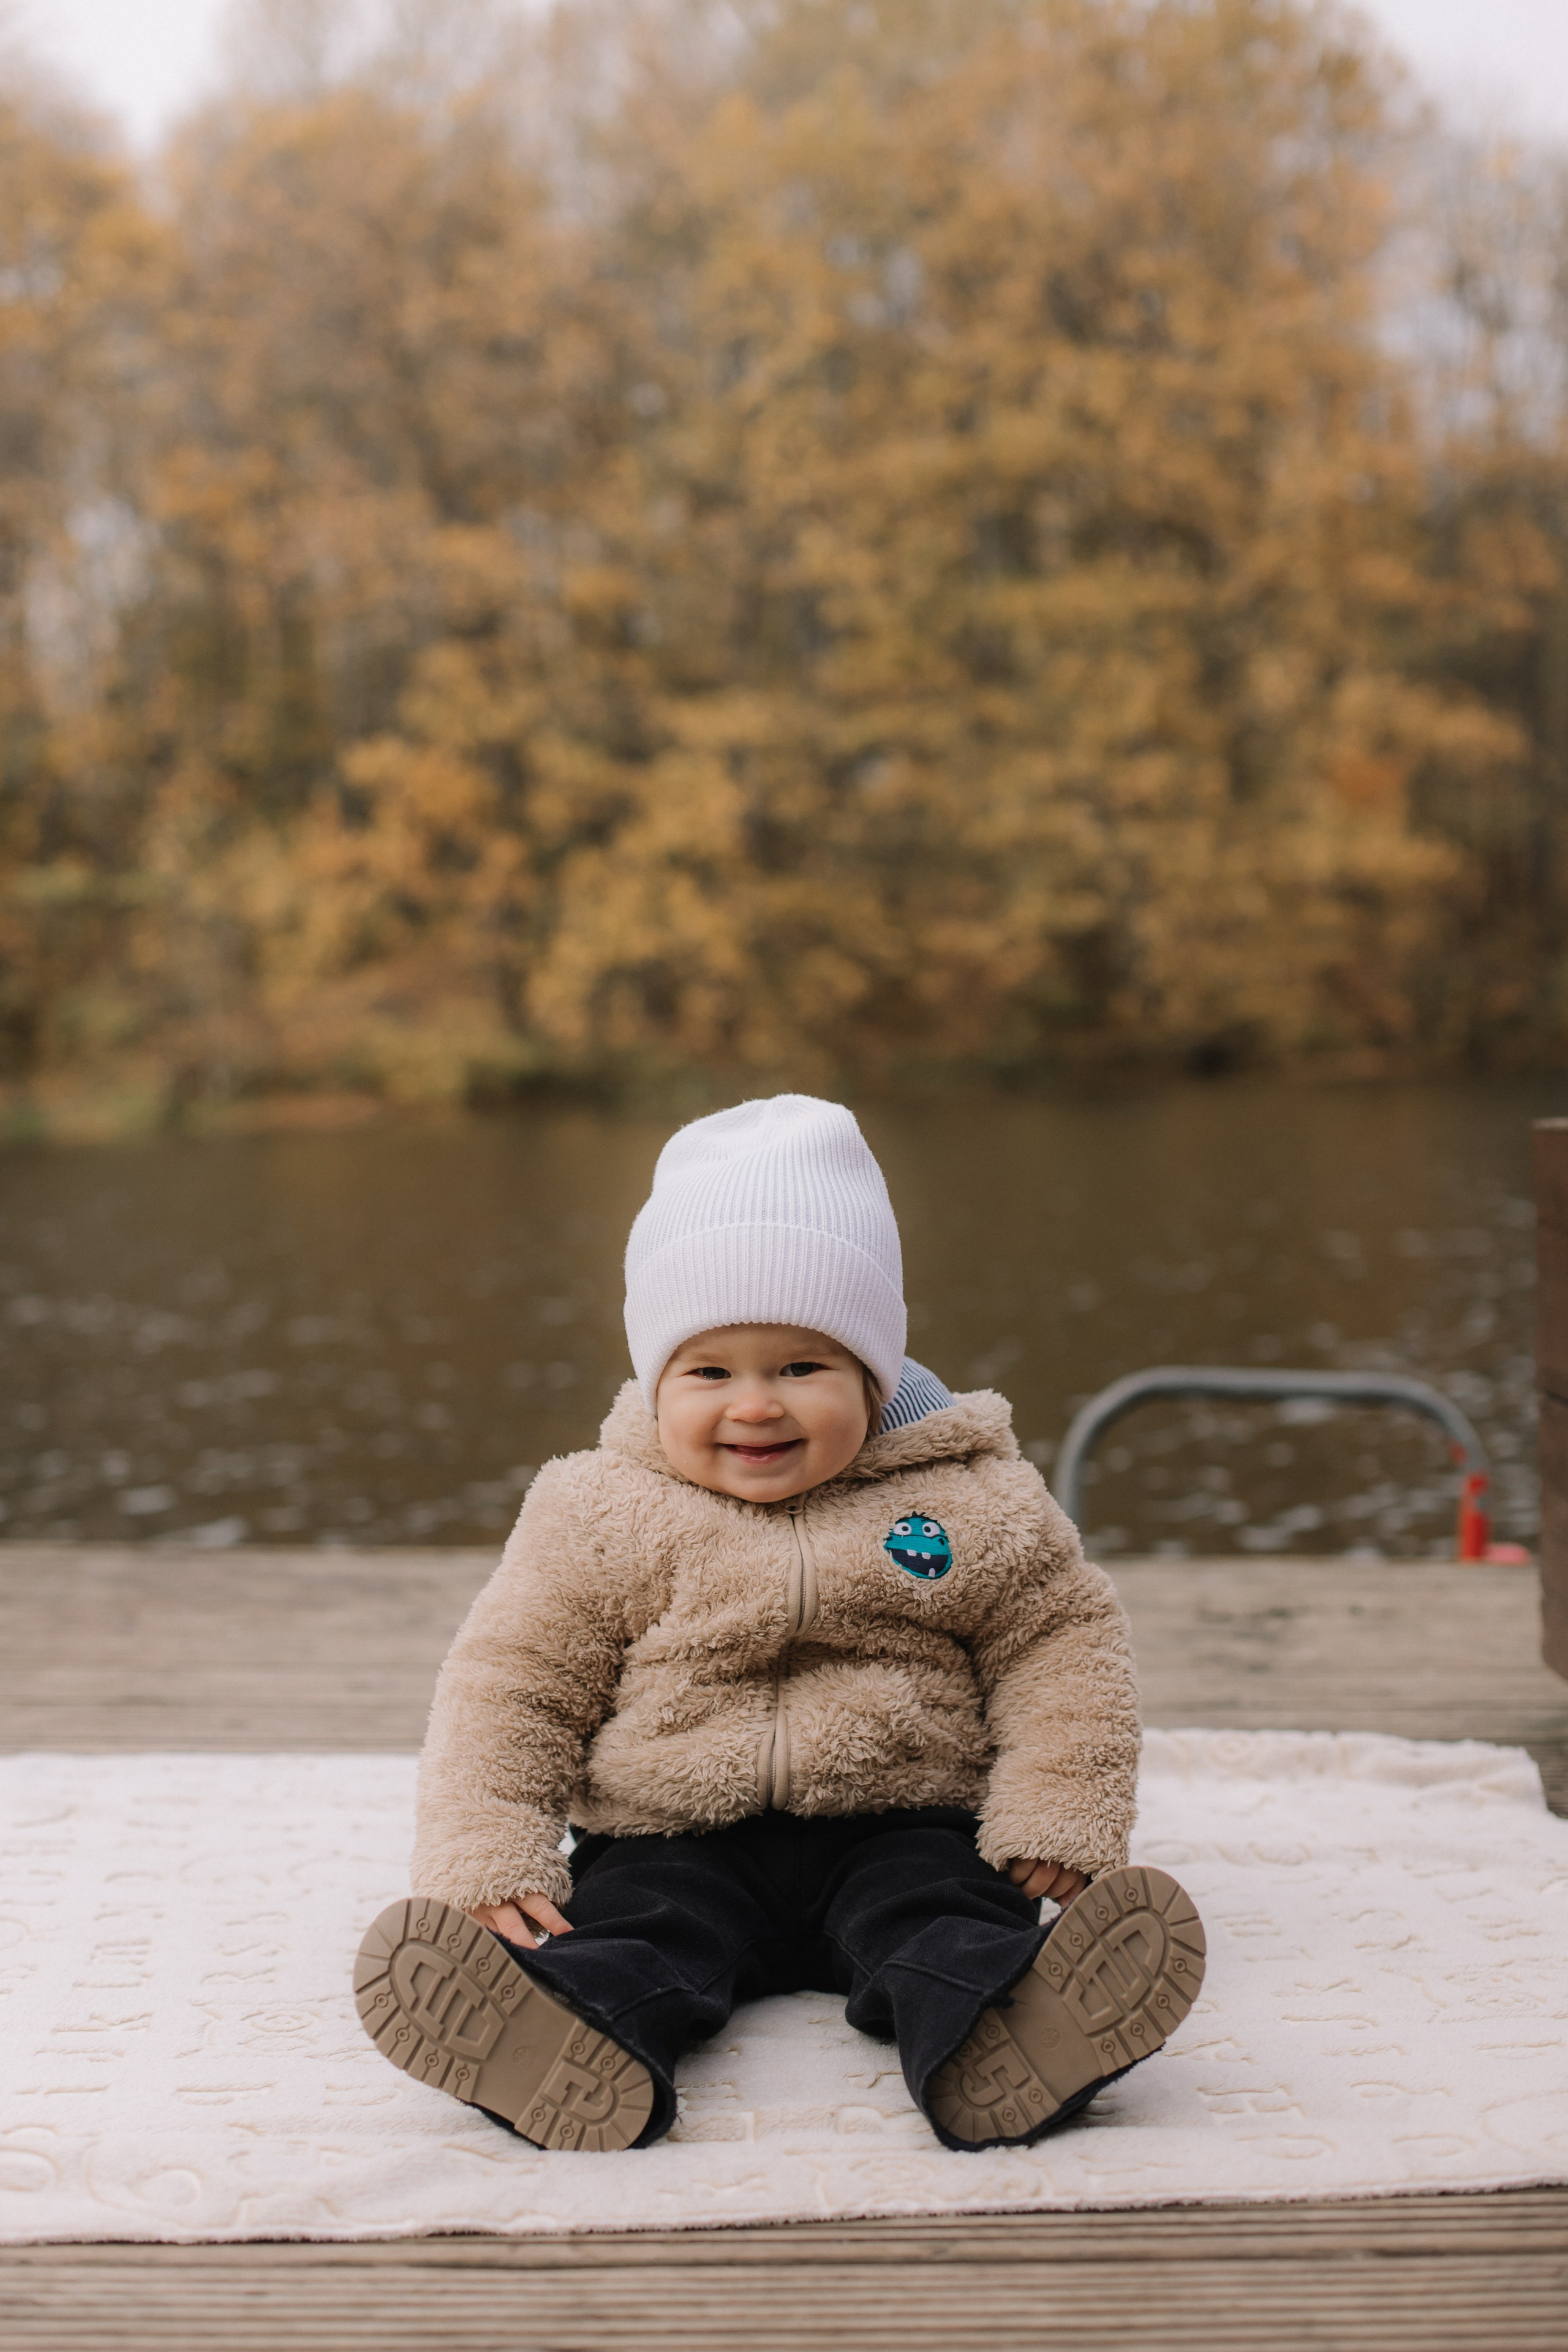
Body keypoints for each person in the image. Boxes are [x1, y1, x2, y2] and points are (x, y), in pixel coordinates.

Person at [354, 1095, 1206, 2152]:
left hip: (901, 1816)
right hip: (674, 1830)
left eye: (802, 1368)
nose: (755, 1405)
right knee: (636, 1934)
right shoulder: (600, 1509)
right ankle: (565, 2035)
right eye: (710, 1372)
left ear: (871, 1370)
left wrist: (1058, 1809)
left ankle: (1007, 2031)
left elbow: (1062, 1642)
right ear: (658, 1378)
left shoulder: (969, 1498)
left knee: (946, 1921)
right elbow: (513, 1682)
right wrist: (487, 1852)